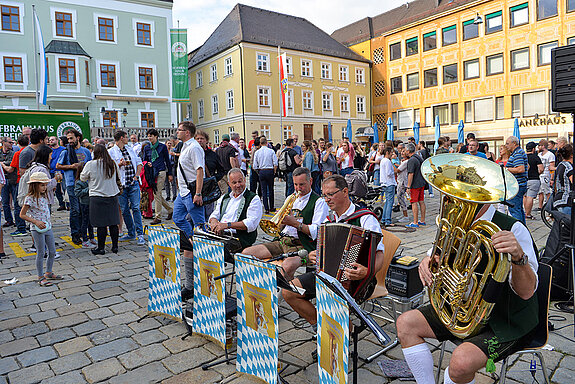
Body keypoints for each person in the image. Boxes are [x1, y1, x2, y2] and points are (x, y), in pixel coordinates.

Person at [397, 200, 539, 384]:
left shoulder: (514, 228)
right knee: (405, 324)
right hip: (460, 311)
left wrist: (518, 257)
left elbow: (527, 292)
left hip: (506, 320)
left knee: (460, 363)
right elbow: (436, 254)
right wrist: (427, 261)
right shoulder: (454, 222)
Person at [282, 174, 386, 328]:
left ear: (345, 192)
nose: (327, 199)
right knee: (289, 292)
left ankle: (342, 333)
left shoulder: (365, 219)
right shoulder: (328, 220)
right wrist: (314, 255)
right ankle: (322, 326)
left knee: (332, 299)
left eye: (330, 194)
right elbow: (322, 248)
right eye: (324, 195)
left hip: (357, 280)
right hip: (328, 275)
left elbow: (379, 254)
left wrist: (367, 271)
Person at [243, 167, 328, 280]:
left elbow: (317, 232)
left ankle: (285, 295)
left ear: (311, 181)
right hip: (283, 241)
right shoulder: (290, 198)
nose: (298, 188)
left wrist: (295, 223)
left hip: (302, 246)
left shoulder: (319, 202)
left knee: (286, 266)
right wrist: (280, 220)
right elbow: (281, 228)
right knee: (246, 254)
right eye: (295, 184)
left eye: (301, 184)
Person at [173, 121, 206, 302]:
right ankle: (193, 239)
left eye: (179, 130)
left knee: (200, 226)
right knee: (178, 218)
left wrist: (198, 193)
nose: (176, 132)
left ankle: (202, 250)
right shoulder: (185, 146)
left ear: (186, 132)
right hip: (183, 192)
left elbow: (199, 171)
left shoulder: (194, 147)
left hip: (192, 193)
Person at [20, 172, 62, 286]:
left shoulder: (44, 196)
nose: (44, 187)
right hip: (36, 229)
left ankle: (48, 272)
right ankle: (40, 276)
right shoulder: (29, 198)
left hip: (47, 227)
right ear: (35, 185)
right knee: (41, 252)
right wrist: (35, 222)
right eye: (42, 185)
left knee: (52, 251)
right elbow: (22, 214)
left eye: (45, 185)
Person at [80, 144, 121, 255]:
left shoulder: (91, 164)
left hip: (97, 196)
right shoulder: (112, 163)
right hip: (112, 195)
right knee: (113, 222)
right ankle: (115, 246)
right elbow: (119, 177)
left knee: (101, 224)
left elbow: (82, 177)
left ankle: (101, 248)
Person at [208, 168, 263, 249]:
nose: (238, 185)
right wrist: (214, 222)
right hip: (221, 234)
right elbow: (215, 214)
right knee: (193, 241)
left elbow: (251, 224)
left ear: (244, 180)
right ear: (229, 184)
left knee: (214, 247)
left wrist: (227, 225)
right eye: (234, 183)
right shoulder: (224, 197)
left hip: (238, 238)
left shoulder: (253, 198)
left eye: (240, 181)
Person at [109, 130, 145, 246]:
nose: (127, 139)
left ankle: (140, 234)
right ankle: (131, 232)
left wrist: (136, 176)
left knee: (135, 208)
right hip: (121, 186)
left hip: (133, 183)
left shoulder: (130, 149)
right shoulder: (111, 152)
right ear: (120, 138)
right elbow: (109, 168)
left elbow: (139, 163)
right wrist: (119, 165)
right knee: (124, 210)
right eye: (125, 137)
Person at [56, 129, 92, 245]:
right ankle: (75, 233)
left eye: (71, 138)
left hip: (84, 183)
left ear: (78, 138)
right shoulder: (66, 152)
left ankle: (83, 231)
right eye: (68, 139)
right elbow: (58, 165)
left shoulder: (85, 151)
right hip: (71, 183)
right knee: (75, 210)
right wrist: (72, 166)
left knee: (83, 209)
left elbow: (91, 165)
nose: (69, 141)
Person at [142, 128, 173, 225]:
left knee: (157, 193)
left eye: (151, 136)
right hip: (151, 173)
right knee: (157, 194)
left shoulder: (162, 147)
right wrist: (147, 164)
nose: (149, 137)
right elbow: (144, 160)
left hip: (161, 172)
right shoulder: (147, 148)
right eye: (148, 136)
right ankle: (170, 209)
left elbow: (167, 161)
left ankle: (158, 217)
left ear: (156, 136)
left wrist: (170, 174)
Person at [195, 130, 225, 219]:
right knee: (195, 214)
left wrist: (214, 179)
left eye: (202, 139)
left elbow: (221, 170)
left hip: (209, 187)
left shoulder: (213, 155)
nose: (200, 140)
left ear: (206, 140)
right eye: (197, 139)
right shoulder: (192, 152)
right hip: (195, 187)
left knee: (209, 213)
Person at [7, 135, 29, 236]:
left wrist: (2, 165)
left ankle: (21, 228)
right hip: (31, 180)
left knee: (17, 205)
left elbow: (11, 169)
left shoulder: (18, 153)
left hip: (20, 180)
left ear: (18, 143)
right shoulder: (31, 151)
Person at [505, 136, 528, 224]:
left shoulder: (517, 153)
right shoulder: (519, 152)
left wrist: (506, 169)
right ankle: (523, 228)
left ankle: (518, 231)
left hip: (517, 186)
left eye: (507, 143)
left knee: (515, 210)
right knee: (518, 209)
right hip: (520, 184)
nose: (506, 145)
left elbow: (520, 169)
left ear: (514, 143)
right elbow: (527, 166)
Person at [252, 136, 277, 214]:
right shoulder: (271, 151)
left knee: (264, 190)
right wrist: (274, 172)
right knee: (271, 189)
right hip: (270, 170)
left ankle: (266, 208)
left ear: (260, 143)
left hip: (261, 171)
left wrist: (258, 172)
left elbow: (254, 166)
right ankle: (271, 207)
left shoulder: (257, 152)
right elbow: (275, 163)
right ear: (267, 143)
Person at [405, 143, 427, 228]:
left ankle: (415, 222)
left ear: (408, 151)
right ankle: (422, 220)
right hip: (421, 183)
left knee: (414, 202)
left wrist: (408, 186)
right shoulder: (419, 157)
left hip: (415, 184)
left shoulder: (411, 160)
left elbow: (411, 174)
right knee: (421, 201)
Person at [552, 144, 573, 216]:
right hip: (567, 201)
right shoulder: (569, 166)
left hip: (559, 200)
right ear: (571, 155)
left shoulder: (560, 165)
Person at [525, 142, 543, 220]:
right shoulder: (536, 157)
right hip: (534, 179)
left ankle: (525, 212)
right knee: (530, 197)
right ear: (533, 149)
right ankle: (528, 214)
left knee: (525, 196)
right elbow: (541, 168)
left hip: (525, 179)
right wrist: (537, 172)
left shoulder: (524, 157)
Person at [0, 137, 16, 227]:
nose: (11, 144)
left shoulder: (13, 153)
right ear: (4, 142)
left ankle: (18, 221)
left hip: (12, 178)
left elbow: (12, 163)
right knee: (5, 202)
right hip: (3, 180)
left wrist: (2, 163)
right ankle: (9, 220)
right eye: (10, 142)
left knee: (16, 201)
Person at [48, 136, 66, 210]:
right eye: (50, 140)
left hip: (63, 171)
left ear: (57, 140)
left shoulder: (63, 149)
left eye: (52, 140)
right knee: (57, 189)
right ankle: (61, 204)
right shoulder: (50, 151)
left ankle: (68, 203)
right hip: (53, 172)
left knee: (65, 188)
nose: (51, 141)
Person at [380, 147, 397, 227]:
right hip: (389, 183)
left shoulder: (382, 160)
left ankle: (384, 218)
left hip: (384, 183)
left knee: (387, 202)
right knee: (390, 202)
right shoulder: (387, 161)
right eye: (391, 153)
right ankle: (388, 220)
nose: (392, 154)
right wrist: (395, 171)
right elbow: (389, 173)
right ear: (387, 152)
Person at [537, 139, 555, 211]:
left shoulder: (550, 155)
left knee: (547, 192)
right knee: (540, 191)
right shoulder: (539, 154)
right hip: (539, 175)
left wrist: (552, 178)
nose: (538, 147)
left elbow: (552, 167)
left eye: (539, 145)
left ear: (543, 146)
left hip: (546, 175)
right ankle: (540, 206)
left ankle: (549, 206)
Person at [395, 146, 410, 223]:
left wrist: (391, 163)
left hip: (403, 182)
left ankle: (406, 216)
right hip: (401, 181)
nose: (402, 152)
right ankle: (404, 214)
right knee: (400, 198)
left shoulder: (405, 162)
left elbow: (398, 170)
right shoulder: (404, 161)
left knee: (400, 198)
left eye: (404, 151)